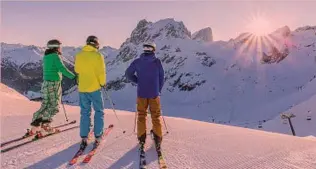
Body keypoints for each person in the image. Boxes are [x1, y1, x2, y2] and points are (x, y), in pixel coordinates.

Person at [27, 39, 76, 136]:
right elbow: (62, 69)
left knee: (45, 104)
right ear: (56, 47)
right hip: (54, 83)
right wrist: (74, 76)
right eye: (59, 46)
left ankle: (35, 126)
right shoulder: (55, 56)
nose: (60, 48)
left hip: (45, 84)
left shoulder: (46, 56)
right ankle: (45, 126)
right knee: (54, 106)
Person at [125, 42, 165, 150]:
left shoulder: (137, 62)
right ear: (153, 50)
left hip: (141, 93)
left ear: (144, 50)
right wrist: (158, 90)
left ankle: (141, 139)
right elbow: (162, 77)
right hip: (154, 94)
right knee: (155, 116)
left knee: (141, 115)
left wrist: (138, 81)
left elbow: (128, 74)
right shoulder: (157, 62)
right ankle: (157, 138)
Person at [74, 35, 106, 149]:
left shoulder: (79, 55)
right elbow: (101, 72)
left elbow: (77, 70)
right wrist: (102, 83)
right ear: (96, 44)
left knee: (85, 112)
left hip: (82, 88)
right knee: (99, 111)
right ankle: (98, 136)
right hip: (95, 88)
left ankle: (84, 136)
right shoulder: (98, 55)